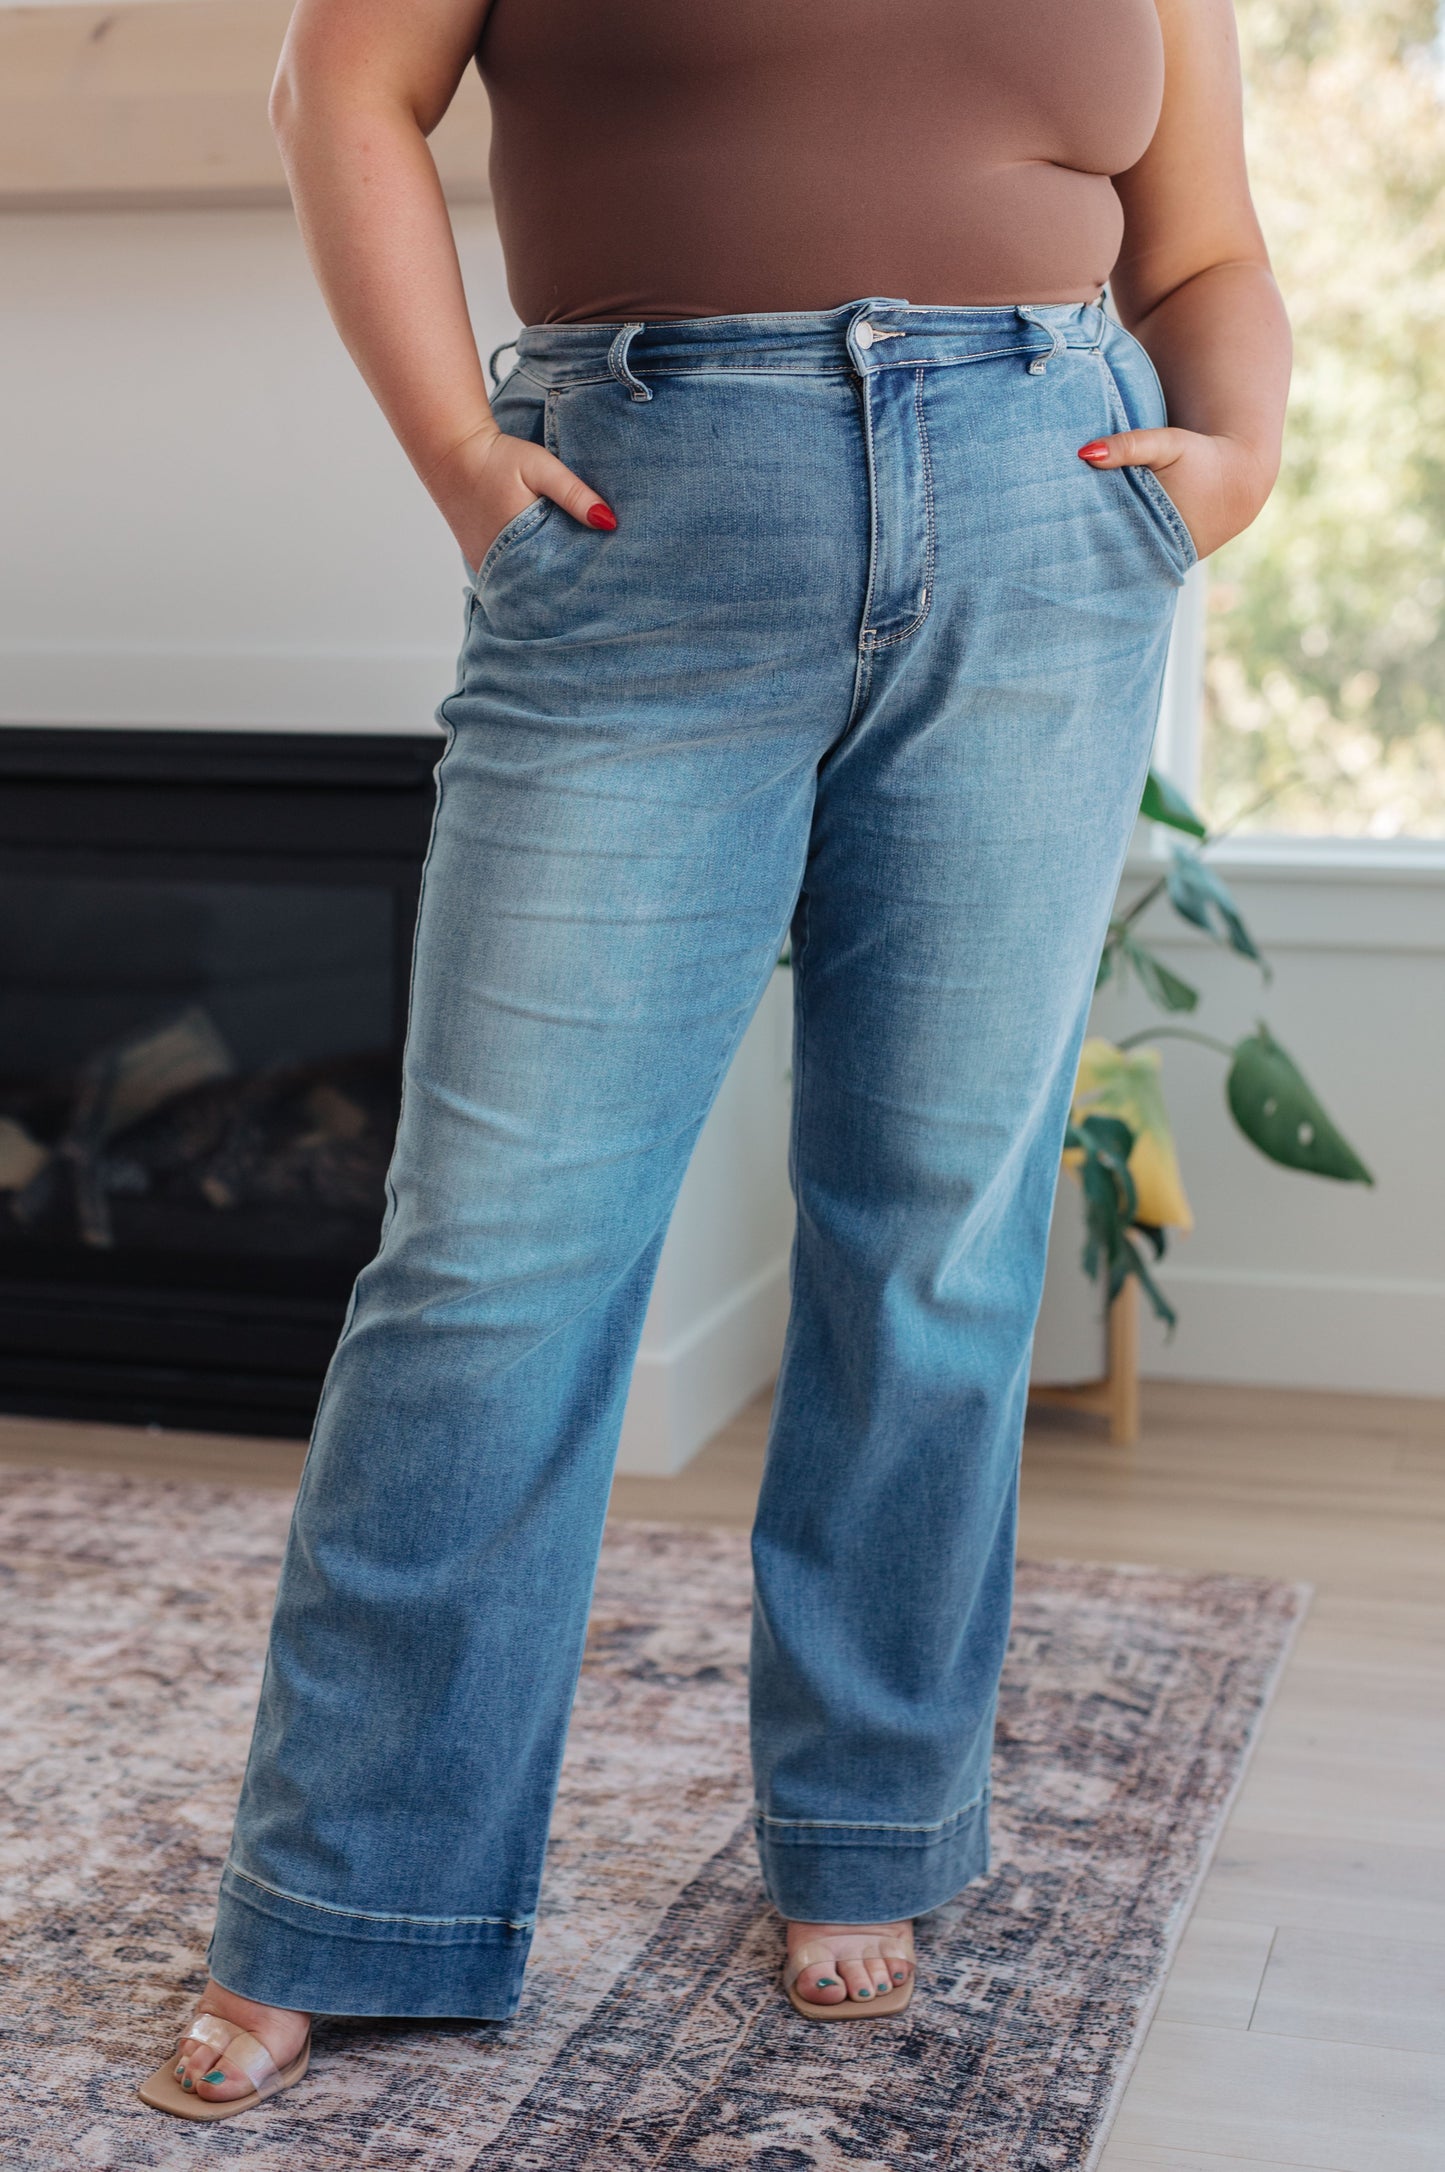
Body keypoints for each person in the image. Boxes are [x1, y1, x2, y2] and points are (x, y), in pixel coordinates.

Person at [138, 0, 1289, 2119]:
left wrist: (1234, 452)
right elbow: (344, 85)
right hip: (647, 508)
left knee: (933, 1228)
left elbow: (1201, 243)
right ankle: (354, 1898)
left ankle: (868, 1825)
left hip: (1043, 516)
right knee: (497, 1257)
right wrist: (459, 456)